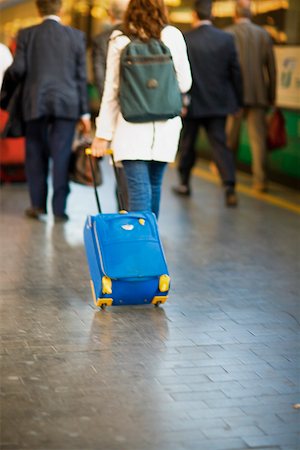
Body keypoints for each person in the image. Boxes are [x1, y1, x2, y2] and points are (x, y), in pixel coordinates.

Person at [91, 0, 192, 219]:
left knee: (138, 191)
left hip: (130, 130)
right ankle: (148, 244)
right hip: (165, 129)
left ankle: (140, 248)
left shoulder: (119, 40)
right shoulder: (172, 36)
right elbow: (185, 83)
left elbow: (112, 92)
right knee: (154, 187)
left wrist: (102, 135)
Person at [1, 0, 91, 222]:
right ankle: (60, 210)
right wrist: (85, 113)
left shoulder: (26, 35)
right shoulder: (76, 36)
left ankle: (38, 206)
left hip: (35, 102)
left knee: (35, 154)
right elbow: (81, 78)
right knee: (61, 155)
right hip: (67, 105)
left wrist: (7, 93)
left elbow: (18, 69)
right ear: (60, 9)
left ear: (39, 10)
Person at [172, 0, 243, 207]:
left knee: (188, 145)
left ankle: (184, 183)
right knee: (220, 145)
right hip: (218, 104)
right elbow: (236, 73)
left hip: (192, 104)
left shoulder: (186, 39)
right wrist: (238, 101)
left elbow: (178, 73)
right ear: (212, 15)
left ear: (194, 15)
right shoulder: (226, 39)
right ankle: (229, 186)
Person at [226, 0, 276, 192]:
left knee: (231, 139)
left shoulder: (228, 34)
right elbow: (271, 68)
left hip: (234, 97)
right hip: (258, 95)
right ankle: (260, 181)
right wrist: (271, 96)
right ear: (251, 14)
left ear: (235, 14)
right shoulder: (264, 35)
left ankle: (229, 177)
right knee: (258, 142)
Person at [91, 0, 130, 211]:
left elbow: (100, 78)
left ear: (109, 13)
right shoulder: (140, 34)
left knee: (120, 164)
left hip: (115, 110)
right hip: (137, 110)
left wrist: (107, 112)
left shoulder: (100, 39)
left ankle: (121, 210)